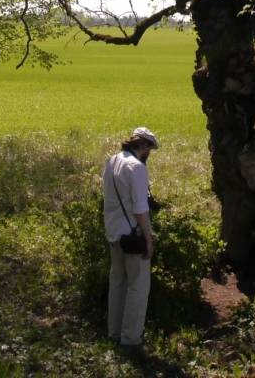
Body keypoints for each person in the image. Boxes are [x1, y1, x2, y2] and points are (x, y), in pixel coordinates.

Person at [102, 126, 159, 348]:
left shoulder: (112, 161)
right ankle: (131, 339)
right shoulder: (136, 167)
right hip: (133, 236)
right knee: (138, 287)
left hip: (113, 232)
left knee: (117, 283)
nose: (149, 155)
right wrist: (148, 238)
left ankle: (114, 333)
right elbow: (140, 208)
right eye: (149, 150)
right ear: (143, 146)